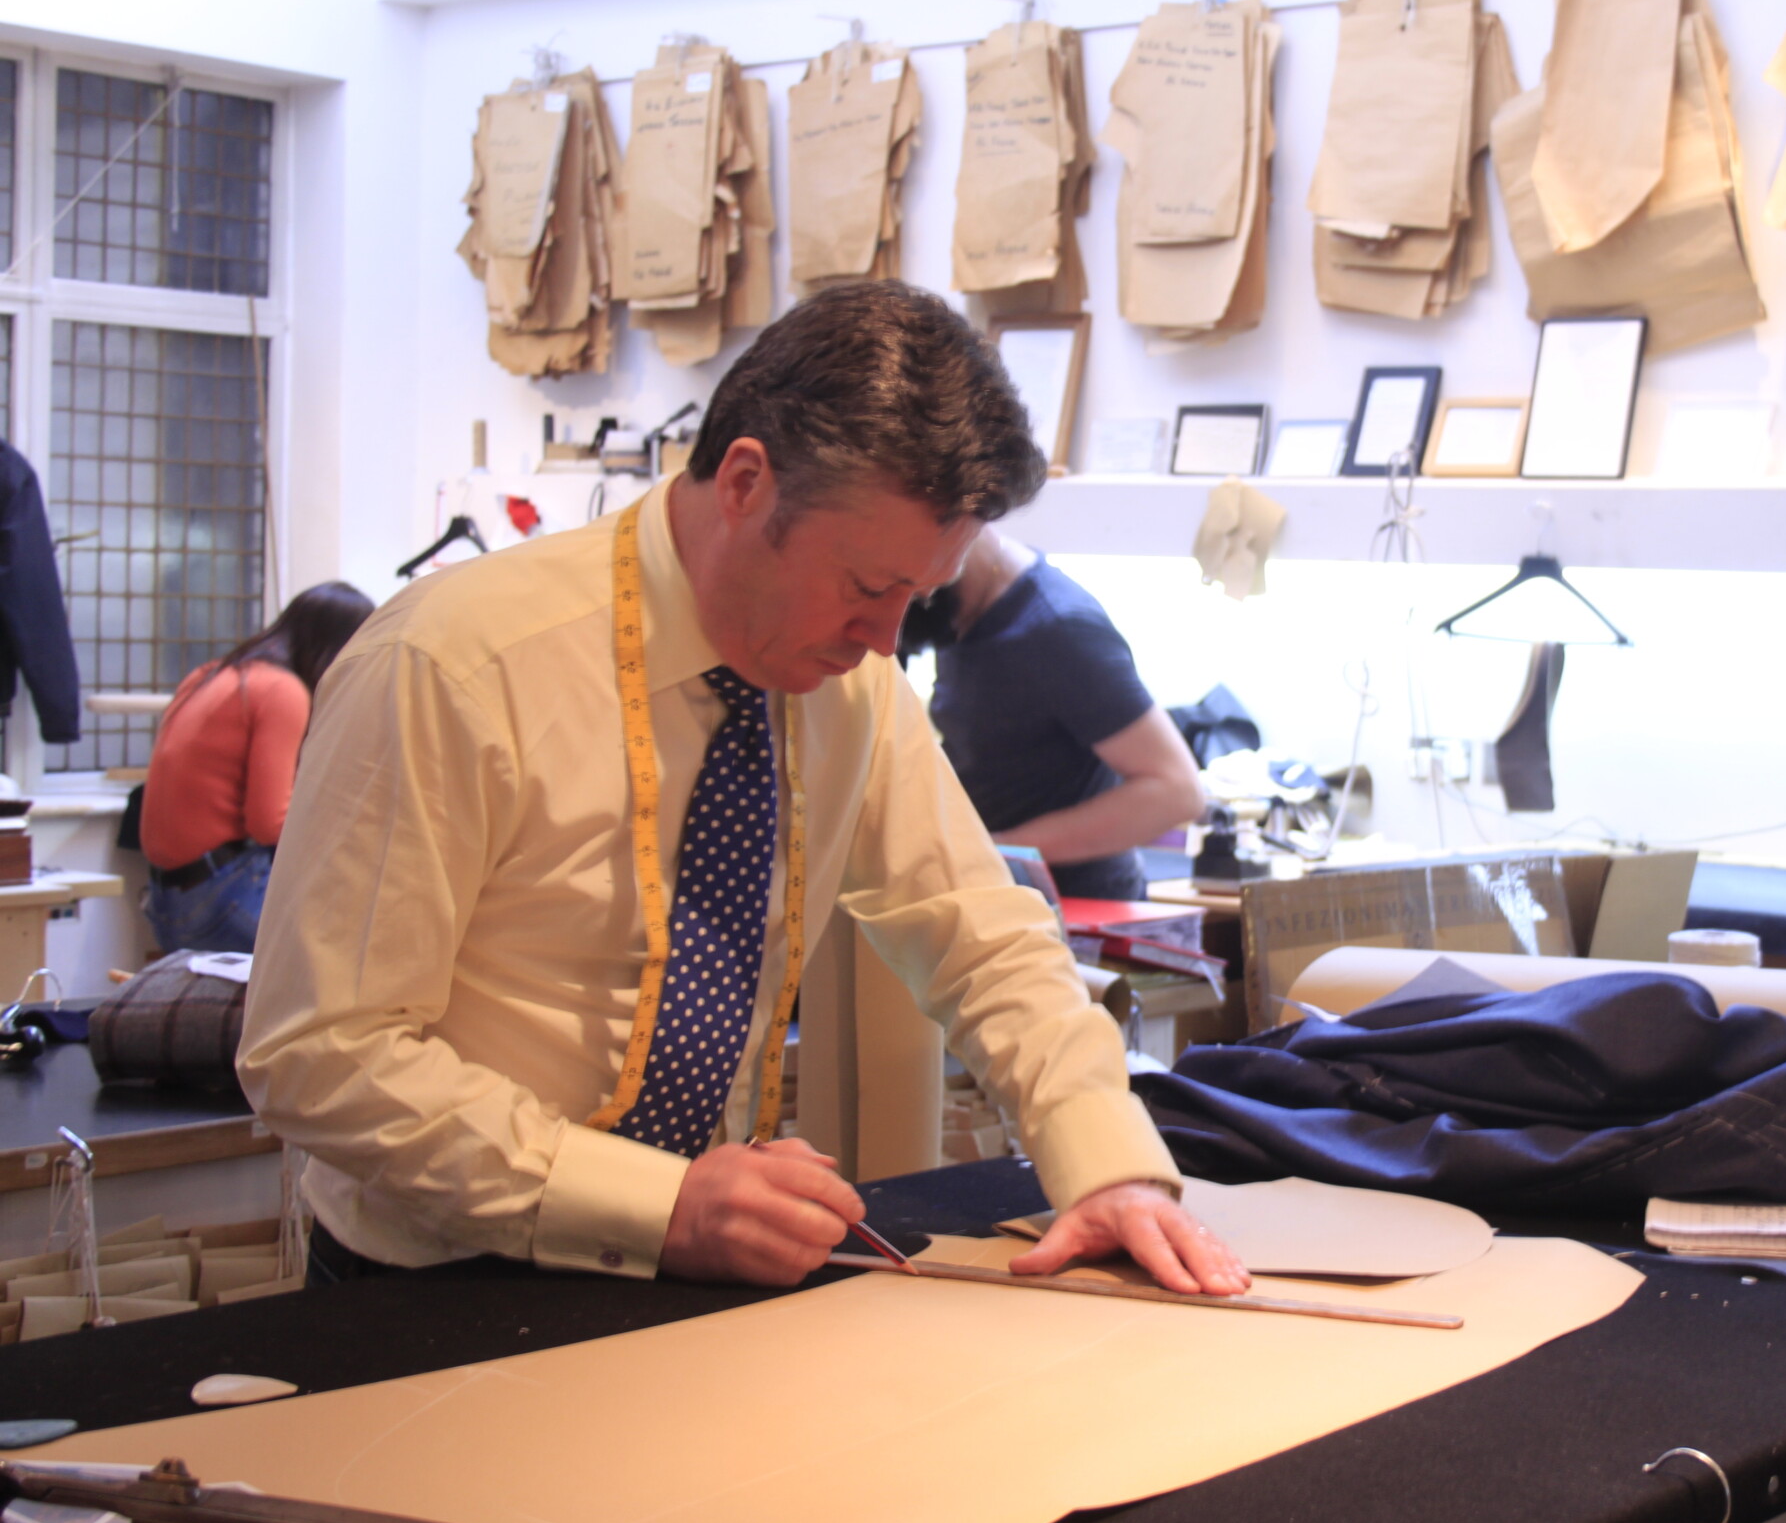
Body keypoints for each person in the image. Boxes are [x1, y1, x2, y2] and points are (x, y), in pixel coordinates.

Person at [238, 282, 1245, 1297]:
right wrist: (652, 1203)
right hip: (438, 1288)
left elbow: (981, 932)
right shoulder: (451, 665)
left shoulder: (852, 685)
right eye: (866, 587)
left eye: (919, 596)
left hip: (704, 1269)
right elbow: (321, 1052)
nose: (886, 640)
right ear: (745, 484)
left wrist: (1106, 1163)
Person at [906, 528, 1206, 902]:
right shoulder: (960, 610)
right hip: (997, 891)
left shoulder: (1059, 629)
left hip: (1076, 907)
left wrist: (996, 849)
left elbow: (1176, 791)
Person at [138, 582, 375, 953]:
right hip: (219, 896)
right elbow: (269, 823)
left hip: (167, 897)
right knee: (360, 944)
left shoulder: (211, 674)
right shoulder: (281, 691)